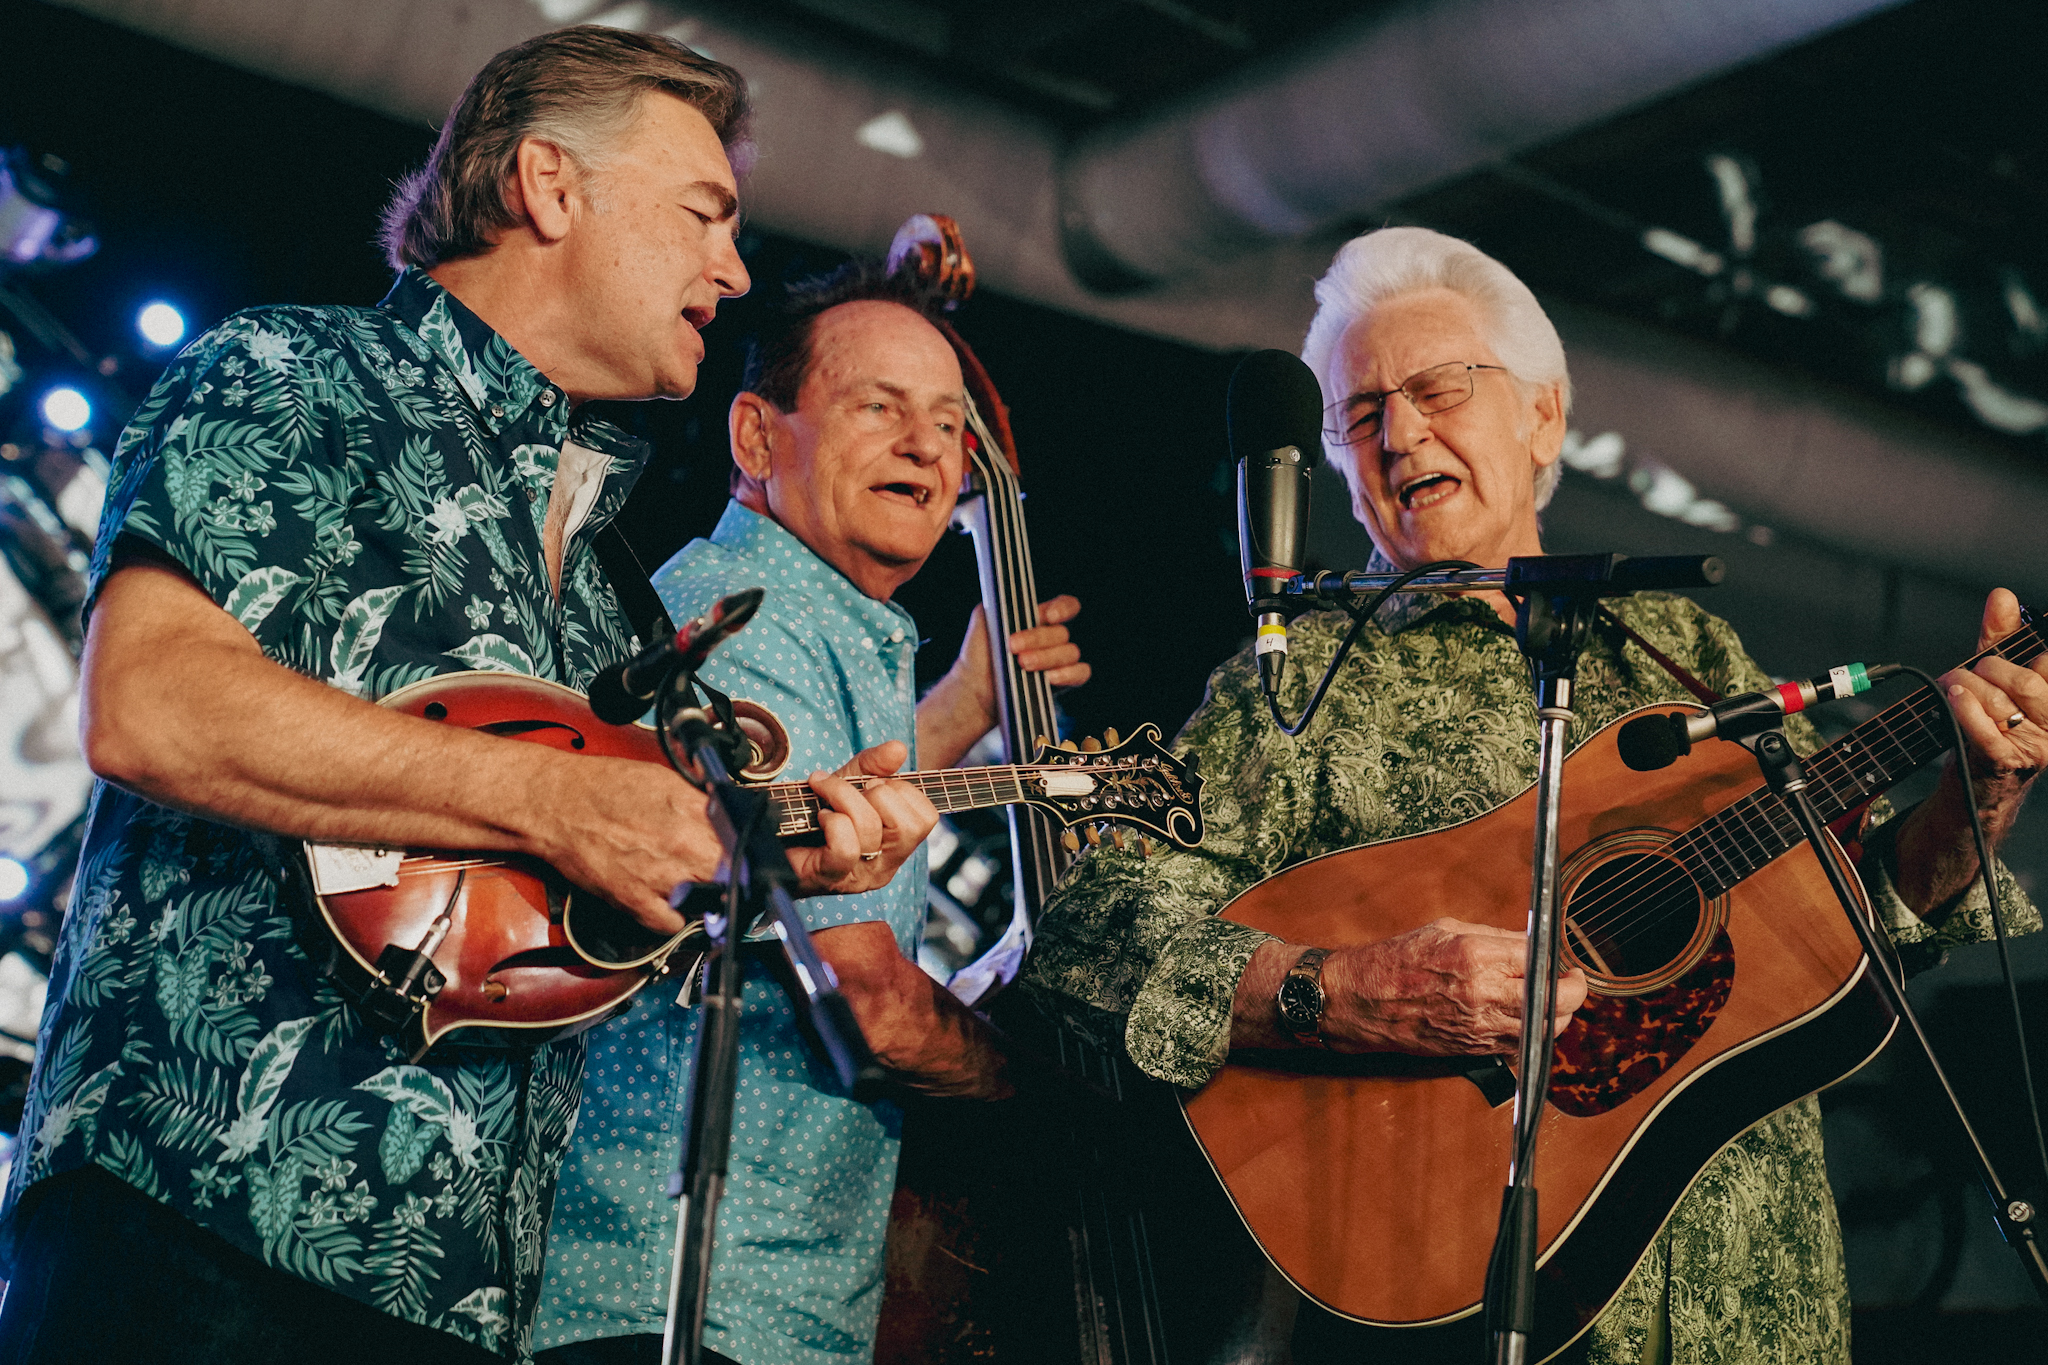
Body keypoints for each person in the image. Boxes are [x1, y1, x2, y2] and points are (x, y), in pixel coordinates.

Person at [0, 28, 934, 1365]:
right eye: (703, 215)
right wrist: (561, 796)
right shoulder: (295, 373)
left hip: (468, 1296)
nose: (734, 271)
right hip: (198, 1215)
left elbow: (561, 912)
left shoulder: (621, 601)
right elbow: (150, 704)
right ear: (549, 186)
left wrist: (775, 845)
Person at [1019, 226, 2044, 1365]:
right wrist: (1343, 989)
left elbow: (1848, 920)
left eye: (1435, 389)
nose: (1399, 432)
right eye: (1358, 416)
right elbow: (1084, 935)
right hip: (1463, 1310)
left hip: (1757, 1309)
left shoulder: (1684, 645)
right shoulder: (1300, 681)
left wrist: (1973, 799)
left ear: (1542, 417)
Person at [533, 262, 1090, 1365]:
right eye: (879, 408)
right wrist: (1049, 1088)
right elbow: (870, 998)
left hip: (726, 1297)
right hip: (684, 1290)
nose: (931, 449)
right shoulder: (748, 627)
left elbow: (823, 818)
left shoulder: (817, 626)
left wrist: (972, 701)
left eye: (947, 424)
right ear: (753, 438)